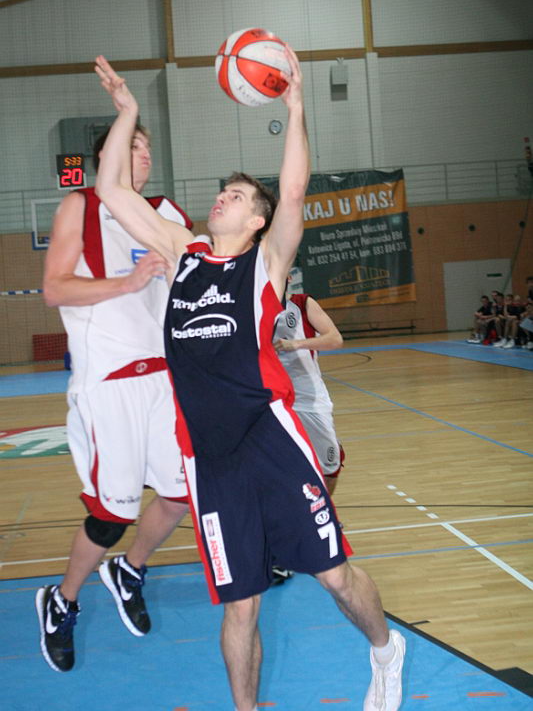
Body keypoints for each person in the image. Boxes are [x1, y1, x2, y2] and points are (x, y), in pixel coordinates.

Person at [94, 51, 405, 711]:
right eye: (222, 193)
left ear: (256, 220)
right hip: (208, 457)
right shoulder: (181, 253)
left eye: (236, 197)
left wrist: (295, 108)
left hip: (271, 440)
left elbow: (292, 191)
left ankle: (385, 649)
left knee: (333, 575)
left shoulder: (265, 265)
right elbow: (112, 192)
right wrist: (126, 113)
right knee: (239, 606)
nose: (222, 198)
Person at [35, 122, 192, 673]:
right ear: (105, 156)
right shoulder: (79, 206)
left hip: (165, 379)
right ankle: (62, 601)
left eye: (147, 146)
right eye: (132, 144)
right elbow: (54, 288)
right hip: (109, 383)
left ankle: (130, 569)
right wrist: (125, 284)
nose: (143, 154)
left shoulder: (167, 214)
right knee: (109, 516)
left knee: (180, 493)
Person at [274, 288, 344, 496]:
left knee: (330, 466)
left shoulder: (302, 303)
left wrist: (297, 344)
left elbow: (335, 339)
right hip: (271, 397)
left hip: (308, 397)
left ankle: (323, 510)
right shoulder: (249, 306)